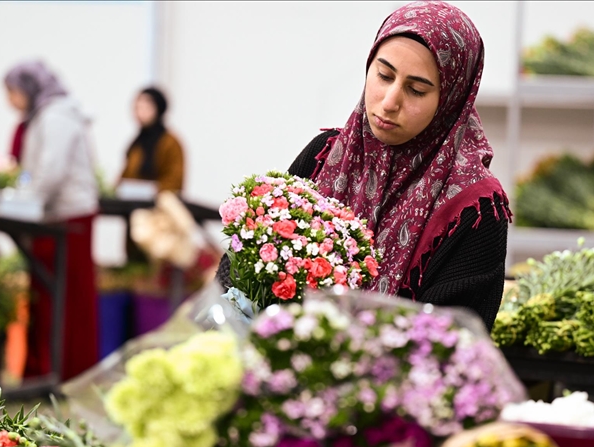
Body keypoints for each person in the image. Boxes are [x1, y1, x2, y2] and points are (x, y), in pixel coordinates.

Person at [217, 1, 510, 327]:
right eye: (384, 75)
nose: (390, 101)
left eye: (416, 90)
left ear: (451, 99)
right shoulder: (324, 155)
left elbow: (452, 340)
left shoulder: (475, 209)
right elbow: (239, 267)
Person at [4, 59, 99, 381]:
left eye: (13, 92)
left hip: (68, 217)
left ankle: (69, 371)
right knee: (48, 298)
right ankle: (45, 369)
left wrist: (26, 205)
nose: (10, 100)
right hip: (55, 215)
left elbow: (51, 172)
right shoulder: (44, 115)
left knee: (69, 298)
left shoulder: (56, 115)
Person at [119, 87, 185, 193]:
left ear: (157, 109)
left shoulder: (170, 143)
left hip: (159, 200)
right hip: (132, 200)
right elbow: (125, 177)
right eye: (137, 108)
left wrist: (150, 191)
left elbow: (175, 181)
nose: (139, 113)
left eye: (145, 108)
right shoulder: (136, 144)